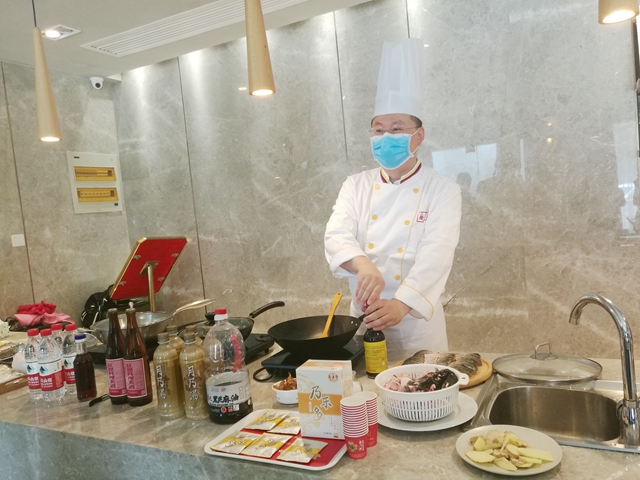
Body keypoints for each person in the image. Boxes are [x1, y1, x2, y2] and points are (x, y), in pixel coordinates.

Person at [324, 39, 461, 351]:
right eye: (378, 129)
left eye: (397, 129)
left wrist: (402, 303)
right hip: (364, 321)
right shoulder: (355, 185)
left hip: (416, 326)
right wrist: (363, 264)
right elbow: (336, 235)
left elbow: (437, 254)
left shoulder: (443, 189)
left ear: (418, 136)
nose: (386, 136)